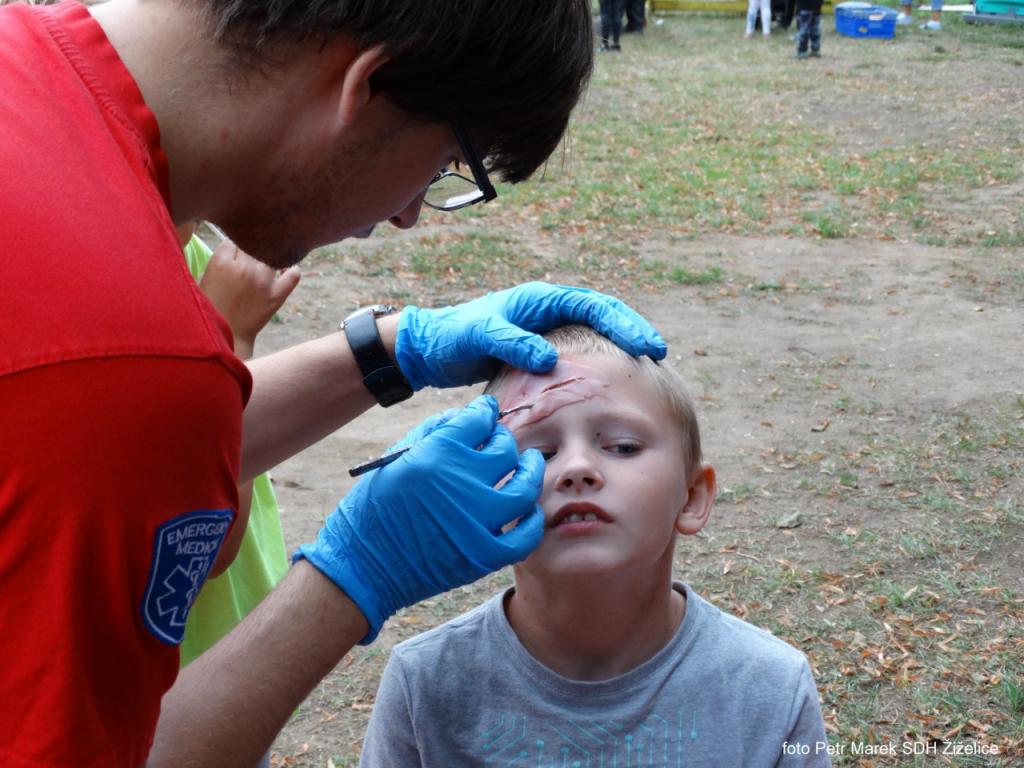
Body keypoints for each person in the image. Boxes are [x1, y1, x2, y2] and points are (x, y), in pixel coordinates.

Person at [0, 1, 668, 766]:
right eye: (447, 164)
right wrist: (356, 572)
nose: (410, 215)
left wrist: (391, 351)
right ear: (368, 85)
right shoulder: (119, 347)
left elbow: (98, 441)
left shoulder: (24, 69)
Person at [359, 325, 830, 767]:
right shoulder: (425, 684)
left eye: (623, 446)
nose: (576, 468)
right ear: (484, 493)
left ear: (691, 496)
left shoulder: (770, 689)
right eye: (539, 454)